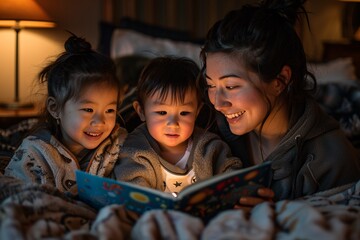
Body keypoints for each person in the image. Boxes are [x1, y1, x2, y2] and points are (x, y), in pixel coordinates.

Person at [197, 0, 360, 201]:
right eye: (211, 86)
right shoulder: (206, 128)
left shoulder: (331, 160)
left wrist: (277, 214)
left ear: (279, 80)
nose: (218, 103)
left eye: (231, 87)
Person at [4, 35, 127, 194]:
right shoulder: (35, 153)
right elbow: (22, 198)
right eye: (88, 110)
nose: (100, 121)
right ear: (55, 109)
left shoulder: (120, 144)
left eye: (110, 110)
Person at [113, 56, 243, 195]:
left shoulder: (209, 147)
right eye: (162, 112)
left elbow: (233, 177)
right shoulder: (134, 150)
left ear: (197, 112)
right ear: (141, 111)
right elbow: (132, 192)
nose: (173, 124)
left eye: (184, 113)